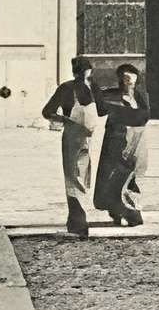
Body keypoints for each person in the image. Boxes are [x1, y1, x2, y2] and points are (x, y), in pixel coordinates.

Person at [43, 56, 101, 236]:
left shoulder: (92, 88)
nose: (84, 75)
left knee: (82, 176)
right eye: (82, 71)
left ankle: (77, 219)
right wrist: (65, 120)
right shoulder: (67, 88)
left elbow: (103, 109)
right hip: (73, 137)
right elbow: (47, 111)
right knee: (73, 177)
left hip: (89, 138)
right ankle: (78, 221)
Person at [92, 64, 150, 227]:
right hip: (116, 140)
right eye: (125, 77)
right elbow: (101, 110)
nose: (129, 80)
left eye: (132, 76)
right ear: (120, 79)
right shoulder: (112, 95)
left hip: (136, 140)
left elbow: (145, 117)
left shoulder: (141, 97)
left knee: (130, 176)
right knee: (113, 176)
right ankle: (120, 211)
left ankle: (127, 210)